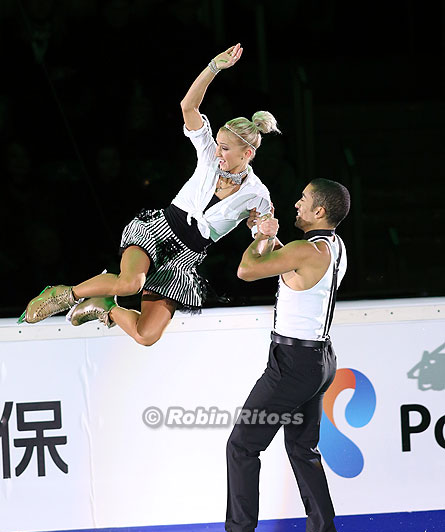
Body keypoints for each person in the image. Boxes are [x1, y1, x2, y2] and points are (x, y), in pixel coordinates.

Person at [19, 43, 280, 346]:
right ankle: (62, 295)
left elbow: (258, 232)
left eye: (225, 148)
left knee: (147, 335)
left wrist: (263, 232)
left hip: (185, 258)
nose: (218, 152)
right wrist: (213, 67)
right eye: (218, 144)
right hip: (158, 230)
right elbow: (188, 107)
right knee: (130, 282)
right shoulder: (208, 154)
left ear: (247, 153)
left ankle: (106, 308)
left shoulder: (258, 194)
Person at [195, 177, 350, 532]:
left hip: (292, 366)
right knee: (302, 449)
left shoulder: (306, 249)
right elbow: (291, 267)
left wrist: (261, 238)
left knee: (242, 447)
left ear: (320, 211)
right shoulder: (330, 246)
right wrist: (266, 237)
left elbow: (247, 270)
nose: (296, 204)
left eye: (303, 200)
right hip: (319, 359)